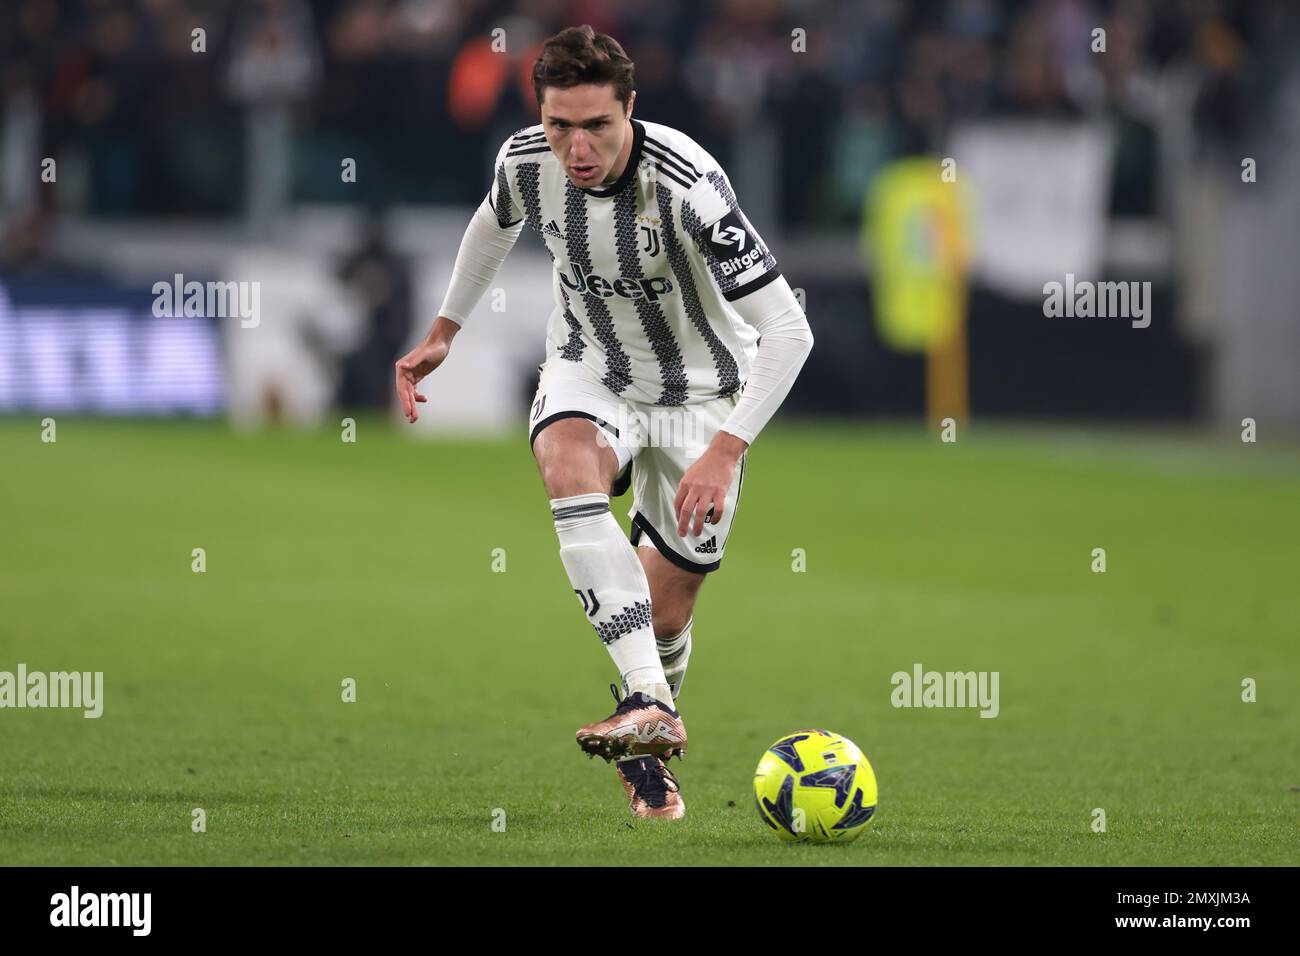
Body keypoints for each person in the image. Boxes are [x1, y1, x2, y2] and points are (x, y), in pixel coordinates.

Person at [396, 25, 813, 820]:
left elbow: (791, 328)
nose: (576, 147)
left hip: (703, 399)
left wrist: (727, 449)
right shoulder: (525, 161)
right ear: (540, 117)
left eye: (596, 126)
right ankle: (650, 704)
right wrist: (446, 328)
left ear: (631, 110)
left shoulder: (690, 187)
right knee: (565, 458)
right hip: (591, 368)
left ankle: (648, 736)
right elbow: (494, 221)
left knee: (665, 612)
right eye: (560, 126)